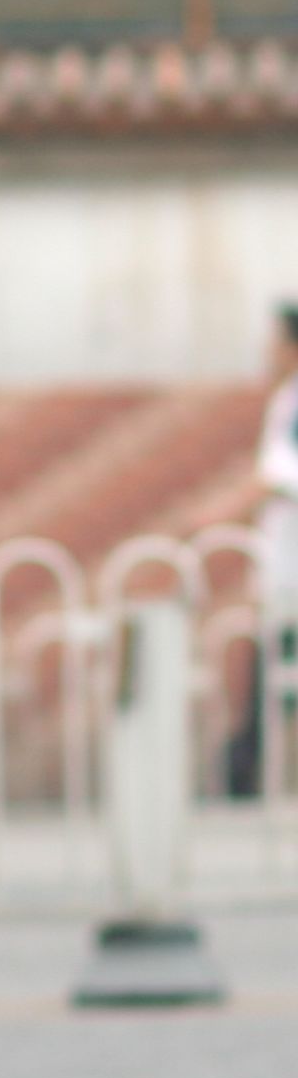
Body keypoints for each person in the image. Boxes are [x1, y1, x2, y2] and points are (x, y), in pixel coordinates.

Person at [228, 302, 298, 797]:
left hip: (291, 576)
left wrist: (213, 517)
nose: (266, 351)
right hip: (282, 571)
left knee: (270, 686)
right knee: (268, 685)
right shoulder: (287, 402)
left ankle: (242, 782)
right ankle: (244, 778)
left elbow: (278, 478)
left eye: (273, 340)